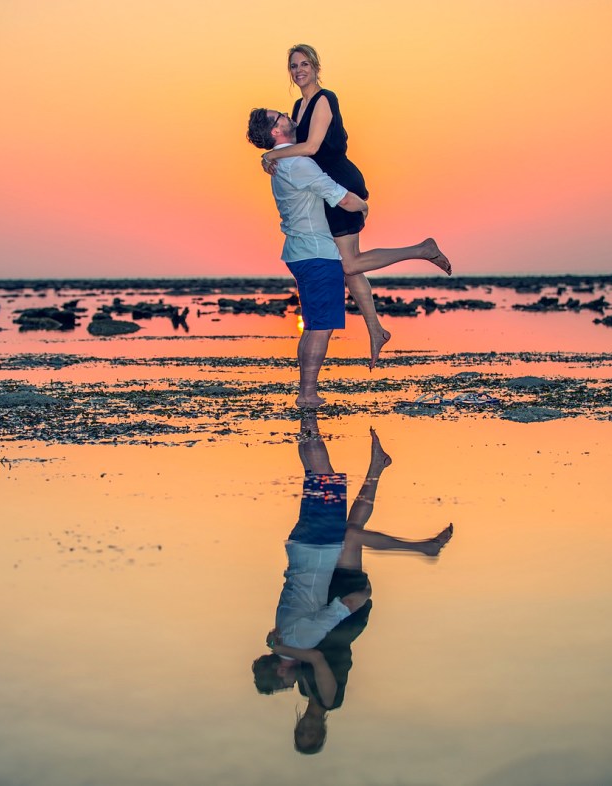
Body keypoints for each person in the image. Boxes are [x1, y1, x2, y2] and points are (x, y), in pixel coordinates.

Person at [252, 413, 454, 754]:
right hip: (343, 617)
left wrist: (277, 646)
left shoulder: (300, 681)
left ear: (297, 727)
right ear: (321, 734)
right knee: (348, 529)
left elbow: (295, 641)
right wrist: (281, 648)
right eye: (312, 736)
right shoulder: (328, 699)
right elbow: (316, 657)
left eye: (302, 733)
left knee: (351, 527)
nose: (308, 728)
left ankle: (376, 465)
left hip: (326, 594)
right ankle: (421, 545)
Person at [261, 44, 452, 370]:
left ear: (316, 66)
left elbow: (312, 146)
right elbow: (298, 148)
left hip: (340, 184)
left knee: (349, 264)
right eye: (294, 66)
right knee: (350, 266)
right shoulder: (298, 104)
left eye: (304, 64)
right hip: (327, 188)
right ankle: (376, 330)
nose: (299, 70)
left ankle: (422, 249)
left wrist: (270, 155)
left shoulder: (325, 99)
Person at [247, 108, 440, 407]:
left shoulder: (281, 163)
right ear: (275, 131)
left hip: (301, 253)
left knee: (312, 326)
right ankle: (307, 394)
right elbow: (342, 198)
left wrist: (269, 156)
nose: (287, 115)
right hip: (318, 254)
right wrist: (363, 206)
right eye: (280, 116)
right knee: (320, 328)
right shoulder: (297, 164)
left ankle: (308, 388)